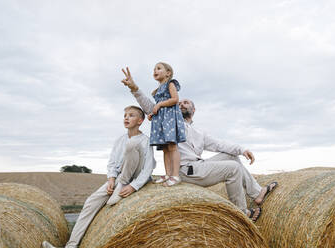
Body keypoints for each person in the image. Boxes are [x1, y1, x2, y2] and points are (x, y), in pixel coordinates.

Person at [122, 82, 278, 222]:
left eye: (186, 102)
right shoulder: (170, 122)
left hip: (199, 166)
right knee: (233, 168)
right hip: (185, 171)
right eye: (180, 102)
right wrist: (134, 88)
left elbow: (220, 144)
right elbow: (150, 106)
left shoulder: (199, 132)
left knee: (232, 156)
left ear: (194, 109)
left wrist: (243, 149)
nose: (182, 104)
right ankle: (242, 213)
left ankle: (257, 193)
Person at [42, 106, 156, 248]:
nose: (126, 118)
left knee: (132, 145)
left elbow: (148, 168)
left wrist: (133, 186)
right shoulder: (119, 140)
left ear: (140, 121)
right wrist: (111, 179)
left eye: (131, 115)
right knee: (91, 202)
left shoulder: (145, 140)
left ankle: (122, 183)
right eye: (125, 115)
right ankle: (71, 245)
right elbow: (112, 163)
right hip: (118, 178)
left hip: (135, 176)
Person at [121, 63, 186, 187]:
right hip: (161, 120)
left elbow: (175, 99)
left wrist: (159, 105)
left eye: (158, 68)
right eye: (154, 69)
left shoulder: (170, 84)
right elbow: (155, 107)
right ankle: (168, 174)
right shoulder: (157, 90)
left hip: (169, 121)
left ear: (168, 73)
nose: (155, 71)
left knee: (172, 146)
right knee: (165, 149)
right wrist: (153, 113)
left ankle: (175, 175)